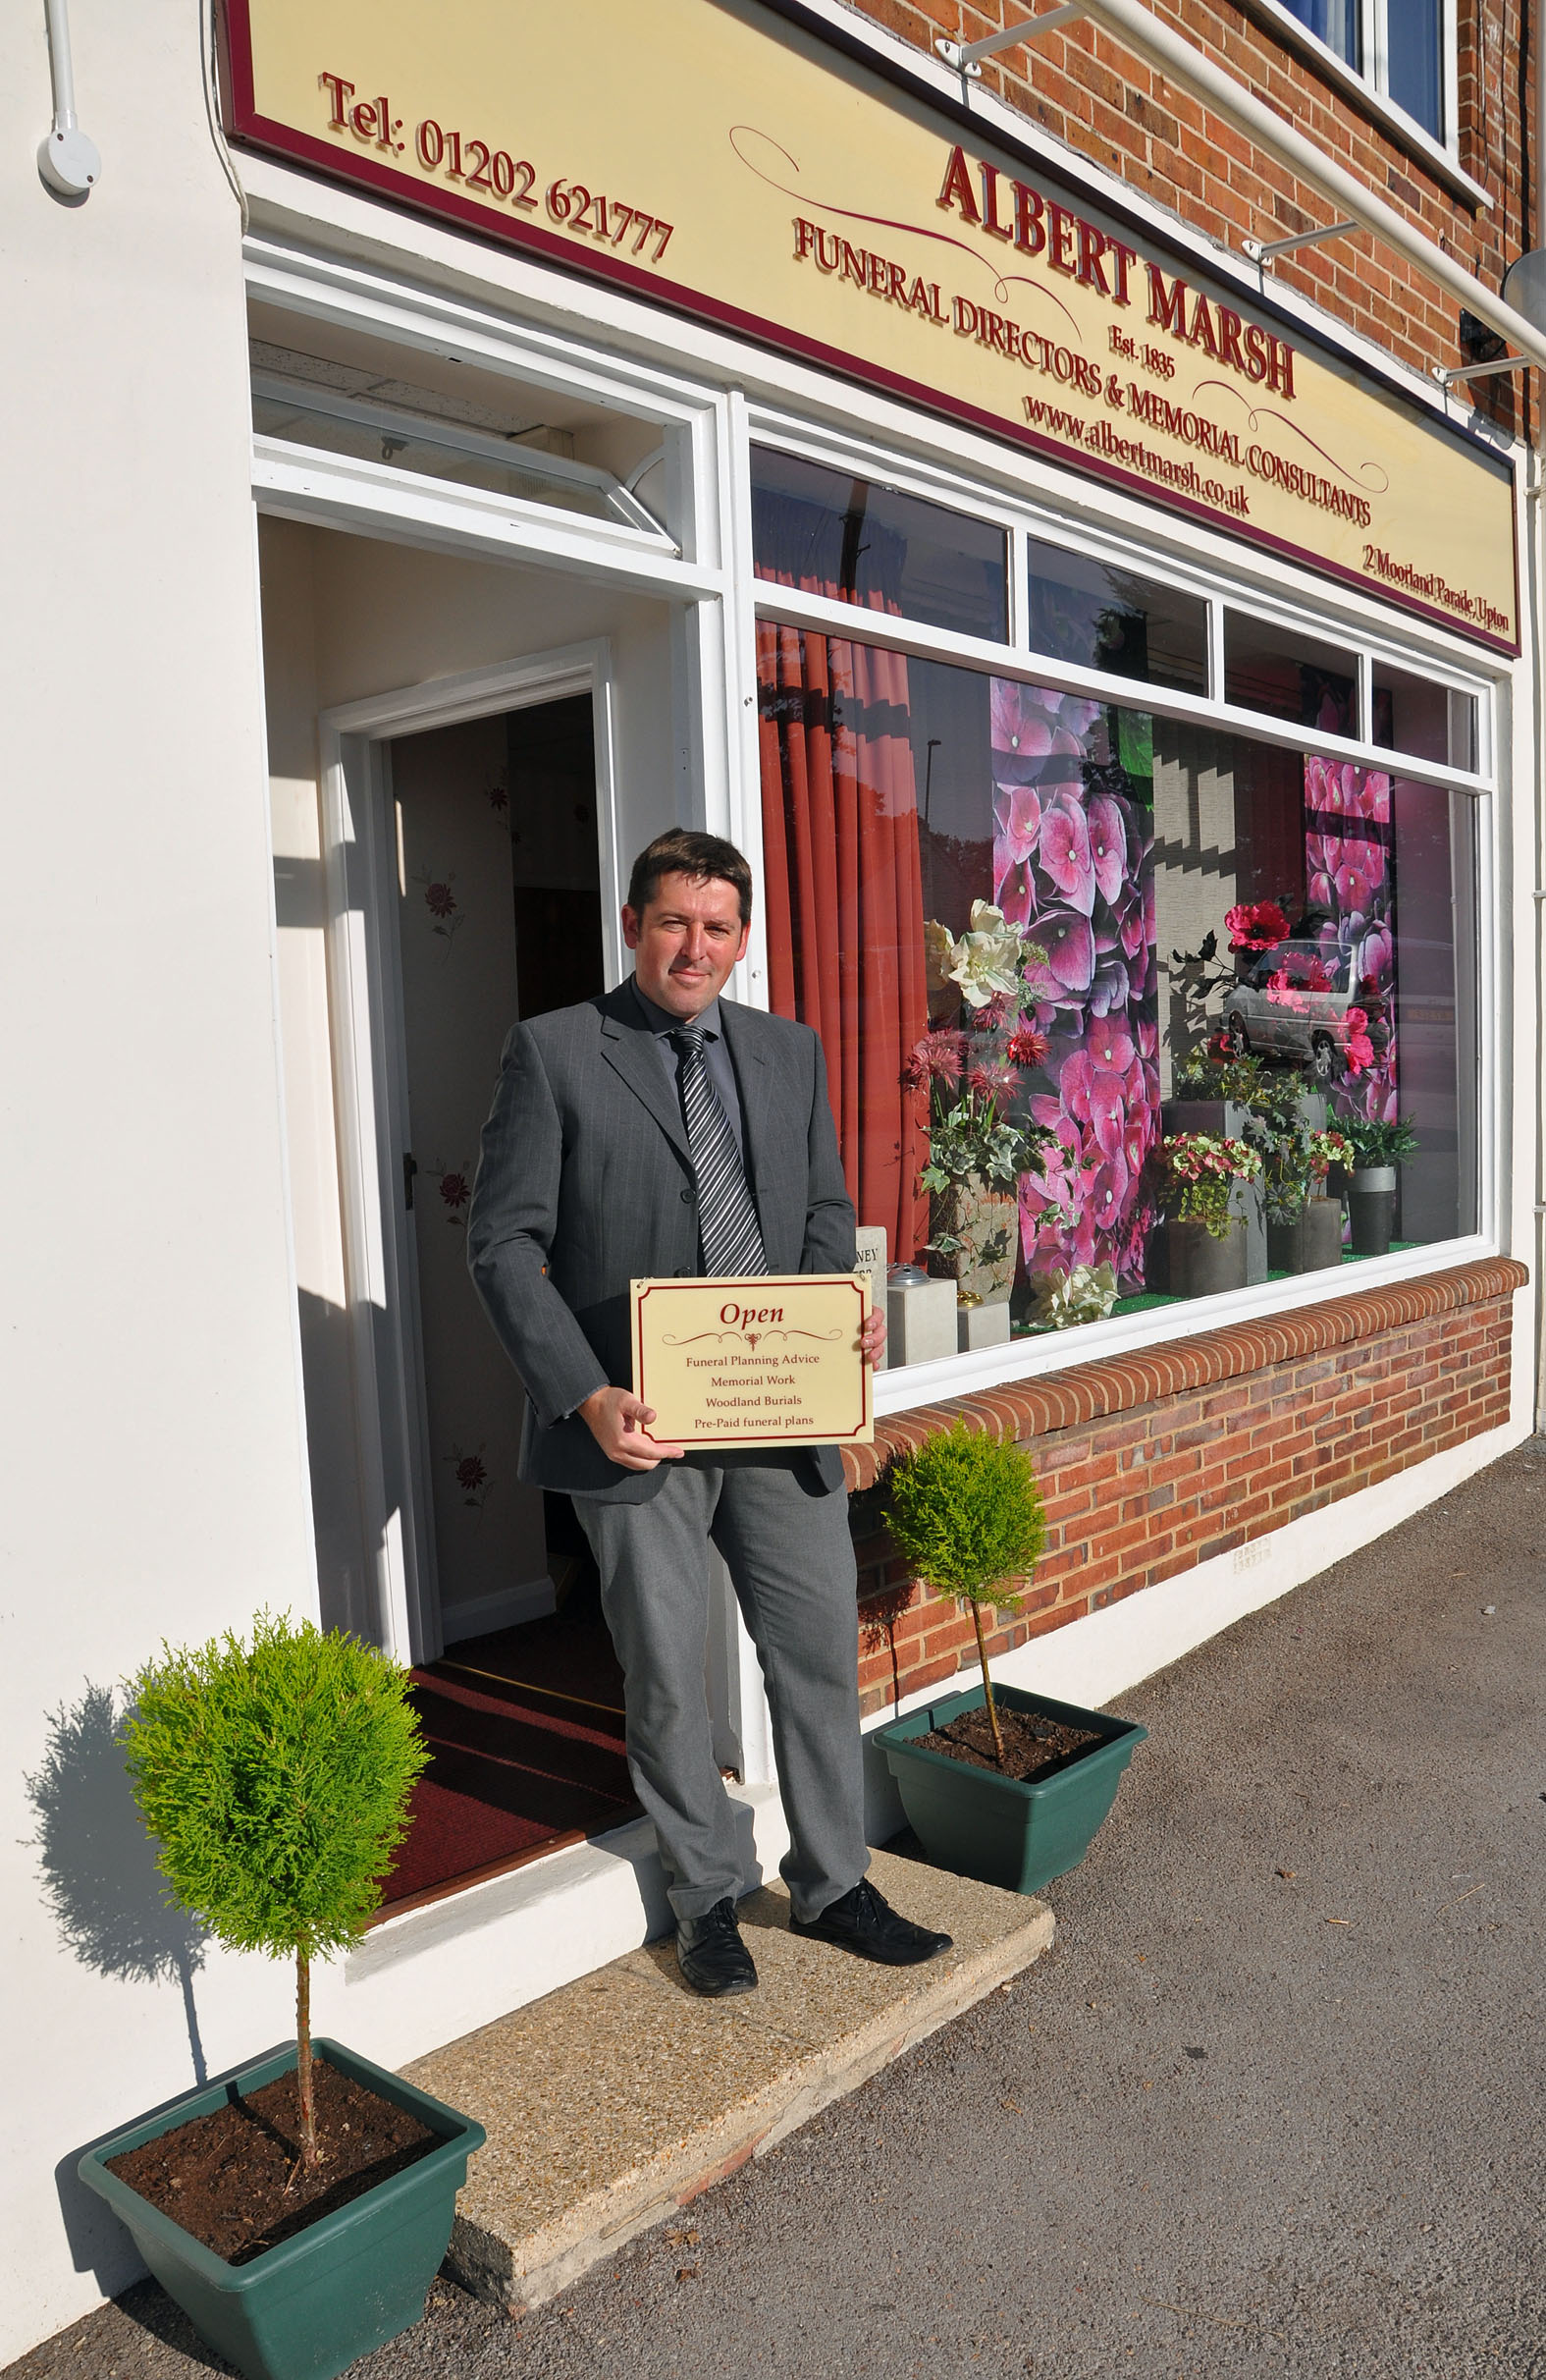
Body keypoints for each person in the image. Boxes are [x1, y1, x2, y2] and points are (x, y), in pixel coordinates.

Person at [467, 827, 950, 1996]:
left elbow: (824, 1208)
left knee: (816, 1654)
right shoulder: (554, 1051)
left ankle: (834, 1884)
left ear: (744, 939)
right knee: (672, 1674)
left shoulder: (788, 1050)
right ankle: (707, 1899)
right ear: (633, 925)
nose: (696, 946)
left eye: (718, 926)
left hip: (780, 1421)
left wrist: (835, 1321)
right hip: (640, 1431)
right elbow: (503, 1244)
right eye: (675, 922)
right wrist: (586, 1393)